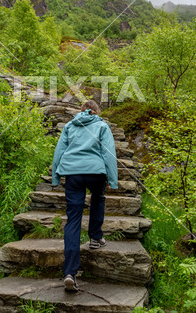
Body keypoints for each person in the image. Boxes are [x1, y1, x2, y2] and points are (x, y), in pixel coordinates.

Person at [52, 100, 118, 292]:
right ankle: (96, 237)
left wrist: (56, 176)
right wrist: (112, 180)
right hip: (96, 172)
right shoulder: (102, 126)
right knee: (98, 198)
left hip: (72, 173)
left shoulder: (69, 126)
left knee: (73, 219)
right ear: (96, 112)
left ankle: (70, 273)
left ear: (81, 112)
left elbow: (59, 152)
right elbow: (108, 154)